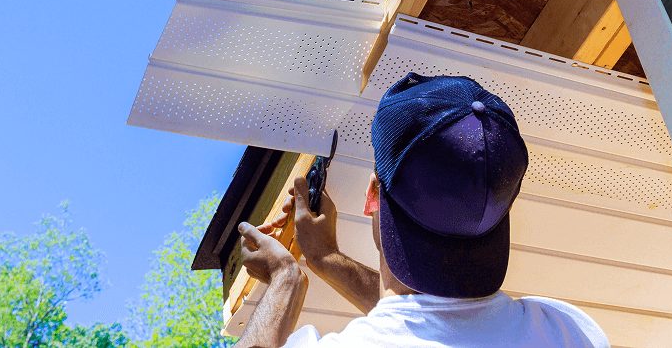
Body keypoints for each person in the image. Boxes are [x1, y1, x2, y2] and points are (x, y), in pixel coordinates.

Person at [234, 73, 610, 348]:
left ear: (371, 197)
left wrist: (285, 278)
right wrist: (327, 258)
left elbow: (425, 325)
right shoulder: (569, 332)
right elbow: (435, 325)